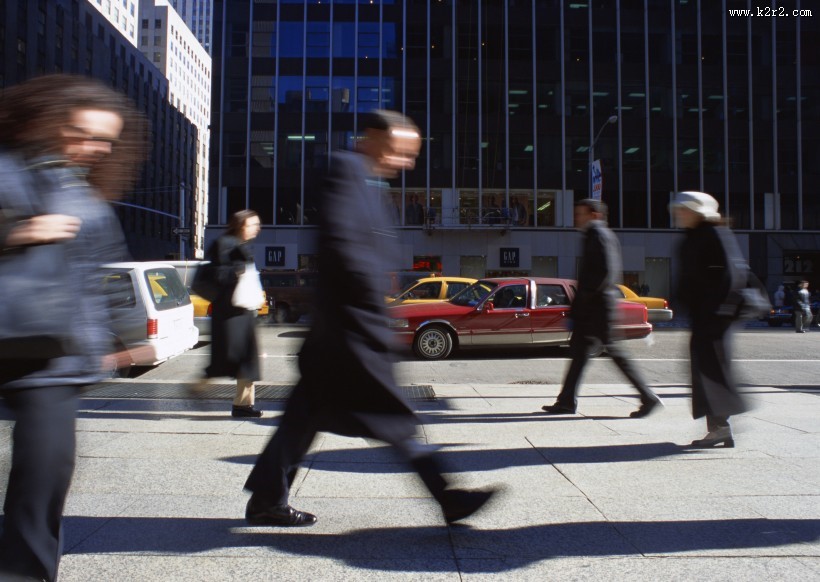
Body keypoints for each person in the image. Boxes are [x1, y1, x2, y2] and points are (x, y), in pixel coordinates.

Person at [244, 110, 495, 527]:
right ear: (375, 137)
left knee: (306, 415)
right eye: (401, 151)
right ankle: (446, 495)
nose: (406, 162)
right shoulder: (345, 170)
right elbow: (341, 245)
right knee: (390, 415)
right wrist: (371, 309)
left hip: (342, 330)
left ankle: (267, 498)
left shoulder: (369, 184)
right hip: (350, 329)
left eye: (411, 156)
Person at [0, 75, 146, 581]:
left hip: (53, 357)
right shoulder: (6, 167)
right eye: (82, 133)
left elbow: (98, 279)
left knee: (46, 474)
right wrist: (15, 232)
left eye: (105, 140)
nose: (94, 148)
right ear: (47, 120)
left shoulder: (88, 196)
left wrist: (110, 344)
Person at [541, 199, 662, 418]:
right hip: (594, 306)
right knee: (580, 354)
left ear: (594, 215)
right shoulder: (594, 235)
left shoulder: (599, 235)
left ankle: (648, 397)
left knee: (613, 353)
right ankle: (566, 401)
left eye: (580, 214)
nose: (576, 218)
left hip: (597, 308)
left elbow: (603, 272)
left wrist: (585, 301)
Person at [671, 191, 749, 448]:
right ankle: (719, 428)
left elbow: (730, 276)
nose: (679, 214)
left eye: (684, 209)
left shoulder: (713, 234)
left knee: (711, 371)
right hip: (705, 315)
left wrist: (717, 310)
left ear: (698, 211)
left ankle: (720, 428)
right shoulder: (695, 236)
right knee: (707, 371)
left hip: (713, 317)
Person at [194, 210, 265, 417]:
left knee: (247, 360)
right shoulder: (224, 244)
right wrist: (236, 271)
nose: (257, 229)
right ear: (240, 225)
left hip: (242, 311)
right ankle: (197, 387)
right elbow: (216, 275)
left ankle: (243, 406)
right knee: (229, 360)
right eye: (252, 224)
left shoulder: (242, 245)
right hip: (230, 314)